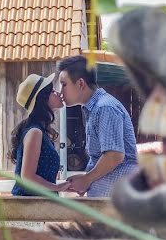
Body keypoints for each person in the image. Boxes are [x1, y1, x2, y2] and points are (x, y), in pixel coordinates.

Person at [57, 55, 139, 196]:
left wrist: (87, 180)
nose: (60, 91)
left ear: (81, 84)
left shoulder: (104, 107)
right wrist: (85, 179)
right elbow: (102, 159)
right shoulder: (94, 108)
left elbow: (114, 155)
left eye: (64, 84)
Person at [10, 73, 70, 196]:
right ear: (43, 99)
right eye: (52, 91)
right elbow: (27, 177)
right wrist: (57, 187)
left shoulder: (39, 130)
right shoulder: (35, 132)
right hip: (31, 207)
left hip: (38, 205)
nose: (58, 93)